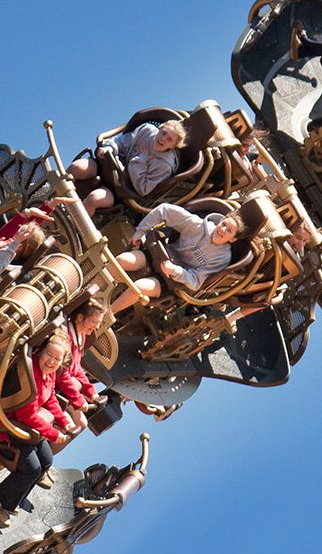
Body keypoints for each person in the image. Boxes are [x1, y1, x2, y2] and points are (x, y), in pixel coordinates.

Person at [0, 331, 74, 527]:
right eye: (49, 355)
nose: (51, 361)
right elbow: (26, 415)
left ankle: (11, 498)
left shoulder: (49, 374)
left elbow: (51, 397)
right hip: (4, 423)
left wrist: (65, 421)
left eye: (57, 359)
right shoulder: (30, 376)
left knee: (46, 461)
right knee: (31, 469)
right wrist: (54, 434)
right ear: (40, 352)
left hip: (24, 425)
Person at [110, 203, 246, 313]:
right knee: (123, 260)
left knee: (139, 287)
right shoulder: (198, 226)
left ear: (233, 239)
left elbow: (196, 282)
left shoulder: (222, 258)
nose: (222, 230)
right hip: (160, 257)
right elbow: (164, 210)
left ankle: (107, 315)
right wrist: (140, 232)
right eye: (224, 224)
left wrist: (175, 271)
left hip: (172, 281)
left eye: (229, 231)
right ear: (220, 221)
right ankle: (93, 288)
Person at [68, 120, 188, 216]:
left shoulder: (165, 165)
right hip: (108, 165)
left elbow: (143, 189)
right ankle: (52, 198)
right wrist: (109, 148)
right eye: (164, 133)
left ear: (173, 146)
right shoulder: (146, 131)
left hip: (121, 188)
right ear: (160, 128)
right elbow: (121, 142)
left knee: (94, 199)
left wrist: (141, 160)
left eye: (169, 139)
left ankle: (72, 229)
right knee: (76, 168)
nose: (163, 139)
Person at [55, 299, 108, 433]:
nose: (96, 327)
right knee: (69, 426)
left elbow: (76, 367)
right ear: (80, 317)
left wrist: (92, 393)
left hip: (65, 386)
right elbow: (62, 373)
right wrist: (78, 399)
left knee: (82, 424)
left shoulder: (81, 336)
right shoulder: (65, 336)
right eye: (93, 322)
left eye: (98, 323)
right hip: (55, 384)